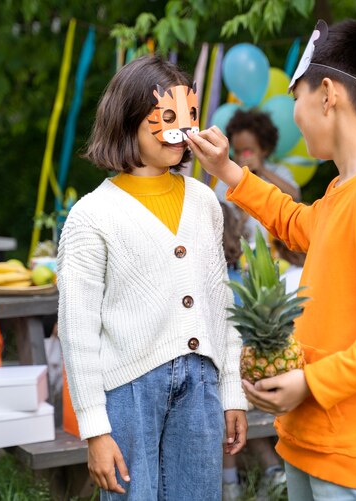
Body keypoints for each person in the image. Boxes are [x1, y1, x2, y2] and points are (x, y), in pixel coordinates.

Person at [188, 19, 356, 501]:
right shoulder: (343, 190)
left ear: (327, 94)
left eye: (294, 98)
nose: (294, 115)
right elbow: (294, 222)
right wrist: (226, 170)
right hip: (313, 440)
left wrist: (311, 382)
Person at [57, 55, 247, 501]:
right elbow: (77, 329)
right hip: (128, 392)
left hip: (201, 385)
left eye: (190, 117)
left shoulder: (204, 202)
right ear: (128, 122)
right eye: (166, 119)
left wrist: (232, 391)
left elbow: (222, 301)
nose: (182, 131)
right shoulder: (91, 216)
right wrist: (95, 430)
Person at [219, 202, 287, 501]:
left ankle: (230, 483)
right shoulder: (244, 277)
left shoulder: (217, 282)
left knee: (224, 415)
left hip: (231, 376)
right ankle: (272, 472)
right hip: (255, 372)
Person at [215, 109, 301, 246]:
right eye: (237, 151)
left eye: (248, 151)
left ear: (264, 149)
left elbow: (295, 196)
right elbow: (222, 219)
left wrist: (261, 170)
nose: (242, 157)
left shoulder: (277, 171)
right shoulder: (225, 180)